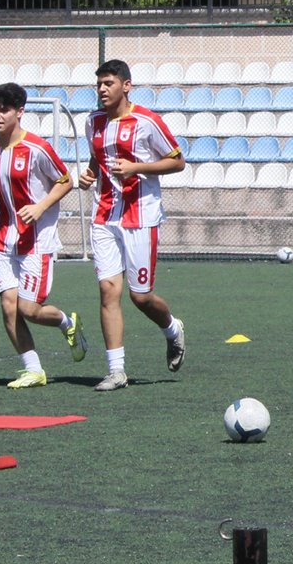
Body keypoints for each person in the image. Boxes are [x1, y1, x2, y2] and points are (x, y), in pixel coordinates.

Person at [0, 83, 86, 388]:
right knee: (9, 306)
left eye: (3, 109)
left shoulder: (38, 148)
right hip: (3, 240)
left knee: (28, 309)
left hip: (36, 241)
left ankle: (67, 322)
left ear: (19, 112)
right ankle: (33, 369)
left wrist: (40, 206)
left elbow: (64, 180)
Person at [77, 59, 186, 392]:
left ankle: (173, 329)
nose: (102, 90)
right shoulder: (92, 121)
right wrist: (91, 174)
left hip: (141, 216)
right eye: (99, 84)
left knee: (141, 298)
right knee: (108, 291)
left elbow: (178, 161)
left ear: (126, 85)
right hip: (104, 216)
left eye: (108, 83)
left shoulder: (146, 121)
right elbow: (98, 157)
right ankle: (116, 371)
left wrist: (137, 166)